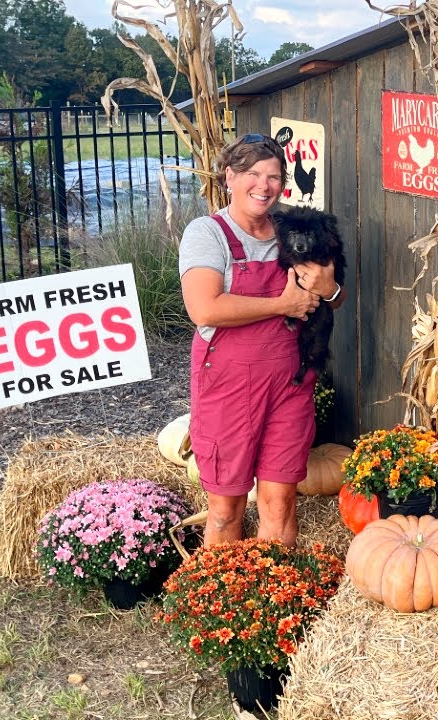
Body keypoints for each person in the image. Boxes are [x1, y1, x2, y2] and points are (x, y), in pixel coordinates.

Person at [178, 133, 343, 547]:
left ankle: (276, 598)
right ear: (229, 177)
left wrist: (330, 290)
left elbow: (324, 300)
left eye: (273, 176)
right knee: (225, 507)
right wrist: (281, 306)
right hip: (229, 388)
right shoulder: (208, 233)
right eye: (252, 174)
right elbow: (205, 309)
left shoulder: (293, 228)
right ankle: (225, 597)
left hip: (289, 385)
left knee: (281, 501)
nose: (263, 185)